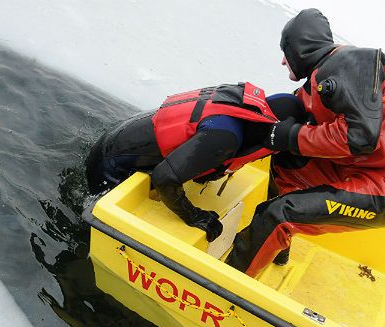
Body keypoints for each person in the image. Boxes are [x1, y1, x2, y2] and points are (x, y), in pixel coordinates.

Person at [225, 9, 385, 276]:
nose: (282, 62)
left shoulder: (349, 65)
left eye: (285, 51)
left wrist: (292, 136)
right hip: (362, 170)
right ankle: (274, 247)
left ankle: (224, 287)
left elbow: (359, 137)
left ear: (298, 49)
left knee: (280, 213)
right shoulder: (322, 79)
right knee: (286, 159)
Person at [85, 82, 304, 242]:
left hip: (117, 137)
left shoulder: (244, 107)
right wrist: (194, 216)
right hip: (109, 167)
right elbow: (164, 178)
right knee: (90, 231)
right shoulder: (225, 137)